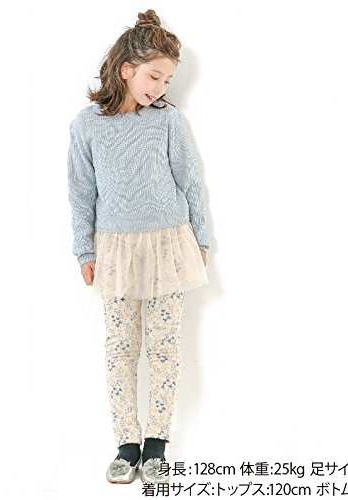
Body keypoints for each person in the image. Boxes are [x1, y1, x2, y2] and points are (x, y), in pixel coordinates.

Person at [67, 9, 211, 484]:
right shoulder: (87, 125)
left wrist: (201, 239)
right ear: (126, 69)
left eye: (167, 80)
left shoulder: (168, 121)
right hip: (115, 251)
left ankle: (157, 443)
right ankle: (126, 442)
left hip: (170, 244)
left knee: (165, 347)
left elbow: (189, 182)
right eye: (155, 76)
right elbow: (81, 192)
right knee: (121, 347)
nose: (161, 87)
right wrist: (85, 251)